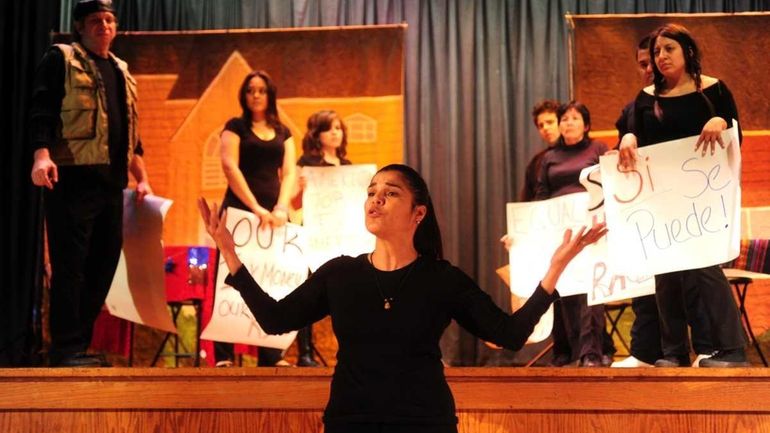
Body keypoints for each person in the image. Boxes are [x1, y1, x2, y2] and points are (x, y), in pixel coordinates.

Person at [199, 164, 606, 432]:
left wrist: (555, 269)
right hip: (351, 422)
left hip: (424, 423)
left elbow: (511, 333)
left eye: (390, 193)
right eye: (372, 191)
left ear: (418, 213)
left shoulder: (441, 279)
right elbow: (274, 319)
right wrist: (232, 257)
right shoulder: (340, 273)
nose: (375, 198)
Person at [28, 0, 152, 367]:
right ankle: (64, 347)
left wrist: (142, 177)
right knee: (71, 265)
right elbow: (42, 109)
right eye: (96, 20)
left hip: (110, 186)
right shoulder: (62, 59)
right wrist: (41, 154)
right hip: (72, 180)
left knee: (103, 262)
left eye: (110, 19)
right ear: (80, 26)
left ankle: (77, 344)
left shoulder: (121, 70)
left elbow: (132, 135)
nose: (104, 25)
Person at [617, 23, 748, 368]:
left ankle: (733, 350)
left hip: (705, 199)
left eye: (668, 49)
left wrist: (721, 122)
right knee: (665, 273)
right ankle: (673, 352)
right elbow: (635, 139)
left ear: (687, 51)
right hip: (662, 200)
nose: (660, 57)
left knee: (706, 269)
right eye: (657, 51)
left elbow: (737, 138)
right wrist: (628, 139)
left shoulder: (715, 90)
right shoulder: (646, 97)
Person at [612, 34, 714, 368]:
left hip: (696, 204)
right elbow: (622, 155)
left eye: (655, 57)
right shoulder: (637, 105)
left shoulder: (698, 96)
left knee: (695, 281)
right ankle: (653, 351)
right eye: (644, 62)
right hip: (654, 210)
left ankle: (706, 349)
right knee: (656, 285)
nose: (651, 66)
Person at [213, 70, 297, 367]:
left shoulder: (283, 131)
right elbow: (229, 166)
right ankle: (223, 355)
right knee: (230, 276)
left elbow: (289, 173)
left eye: (262, 90)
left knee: (269, 279)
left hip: (274, 215)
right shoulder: (235, 127)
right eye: (251, 90)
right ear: (244, 95)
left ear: (270, 94)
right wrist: (254, 207)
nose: (256, 95)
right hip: (239, 210)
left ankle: (270, 353)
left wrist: (281, 207)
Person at [534, 101, 613, 367]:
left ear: (586, 125)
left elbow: (614, 185)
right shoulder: (549, 158)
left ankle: (591, 352)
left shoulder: (599, 149)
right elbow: (541, 196)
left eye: (575, 118)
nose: (568, 122)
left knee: (591, 288)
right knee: (565, 289)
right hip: (561, 232)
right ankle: (570, 350)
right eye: (564, 118)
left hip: (593, 231)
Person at [290, 110, 353, 367]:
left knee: (348, 294)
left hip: (343, 236)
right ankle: (304, 352)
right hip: (314, 236)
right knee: (308, 292)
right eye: (330, 128)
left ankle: (348, 350)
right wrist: (301, 188)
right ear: (318, 135)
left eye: (339, 127)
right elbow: (291, 203)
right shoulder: (305, 163)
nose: (336, 132)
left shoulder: (349, 167)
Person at [521, 99, 561, 201]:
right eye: (541, 125)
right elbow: (527, 199)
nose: (545, 128)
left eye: (550, 122)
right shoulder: (536, 162)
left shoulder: (579, 153)